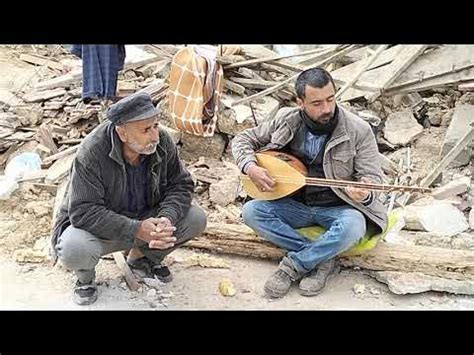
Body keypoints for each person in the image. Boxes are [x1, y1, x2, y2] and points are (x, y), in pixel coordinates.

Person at [232, 68, 387, 299]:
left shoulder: (358, 129)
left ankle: (292, 266)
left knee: (354, 225)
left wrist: (363, 194)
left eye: (330, 99)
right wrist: (250, 167)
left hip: (336, 207)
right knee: (251, 212)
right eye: (316, 103)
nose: (326, 109)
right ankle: (324, 261)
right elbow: (243, 139)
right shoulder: (286, 119)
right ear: (300, 102)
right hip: (294, 204)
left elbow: (373, 179)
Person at [51, 92, 206, 305]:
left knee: (195, 218)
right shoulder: (92, 152)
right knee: (74, 247)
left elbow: (181, 184)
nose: (155, 136)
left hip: (145, 218)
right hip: (105, 227)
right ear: (122, 133)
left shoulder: (161, 142)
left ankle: (142, 259)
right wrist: (136, 229)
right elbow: (83, 211)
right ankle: (85, 279)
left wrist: (166, 218)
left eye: (155, 126)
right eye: (145, 130)